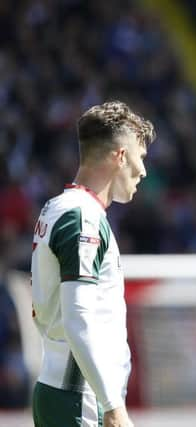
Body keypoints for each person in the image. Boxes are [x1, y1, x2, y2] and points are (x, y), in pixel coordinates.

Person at [30, 101, 155, 427]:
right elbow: (78, 318)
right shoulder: (82, 217)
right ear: (120, 156)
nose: (143, 171)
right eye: (140, 158)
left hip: (69, 391)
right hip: (80, 396)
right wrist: (112, 404)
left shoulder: (61, 207)